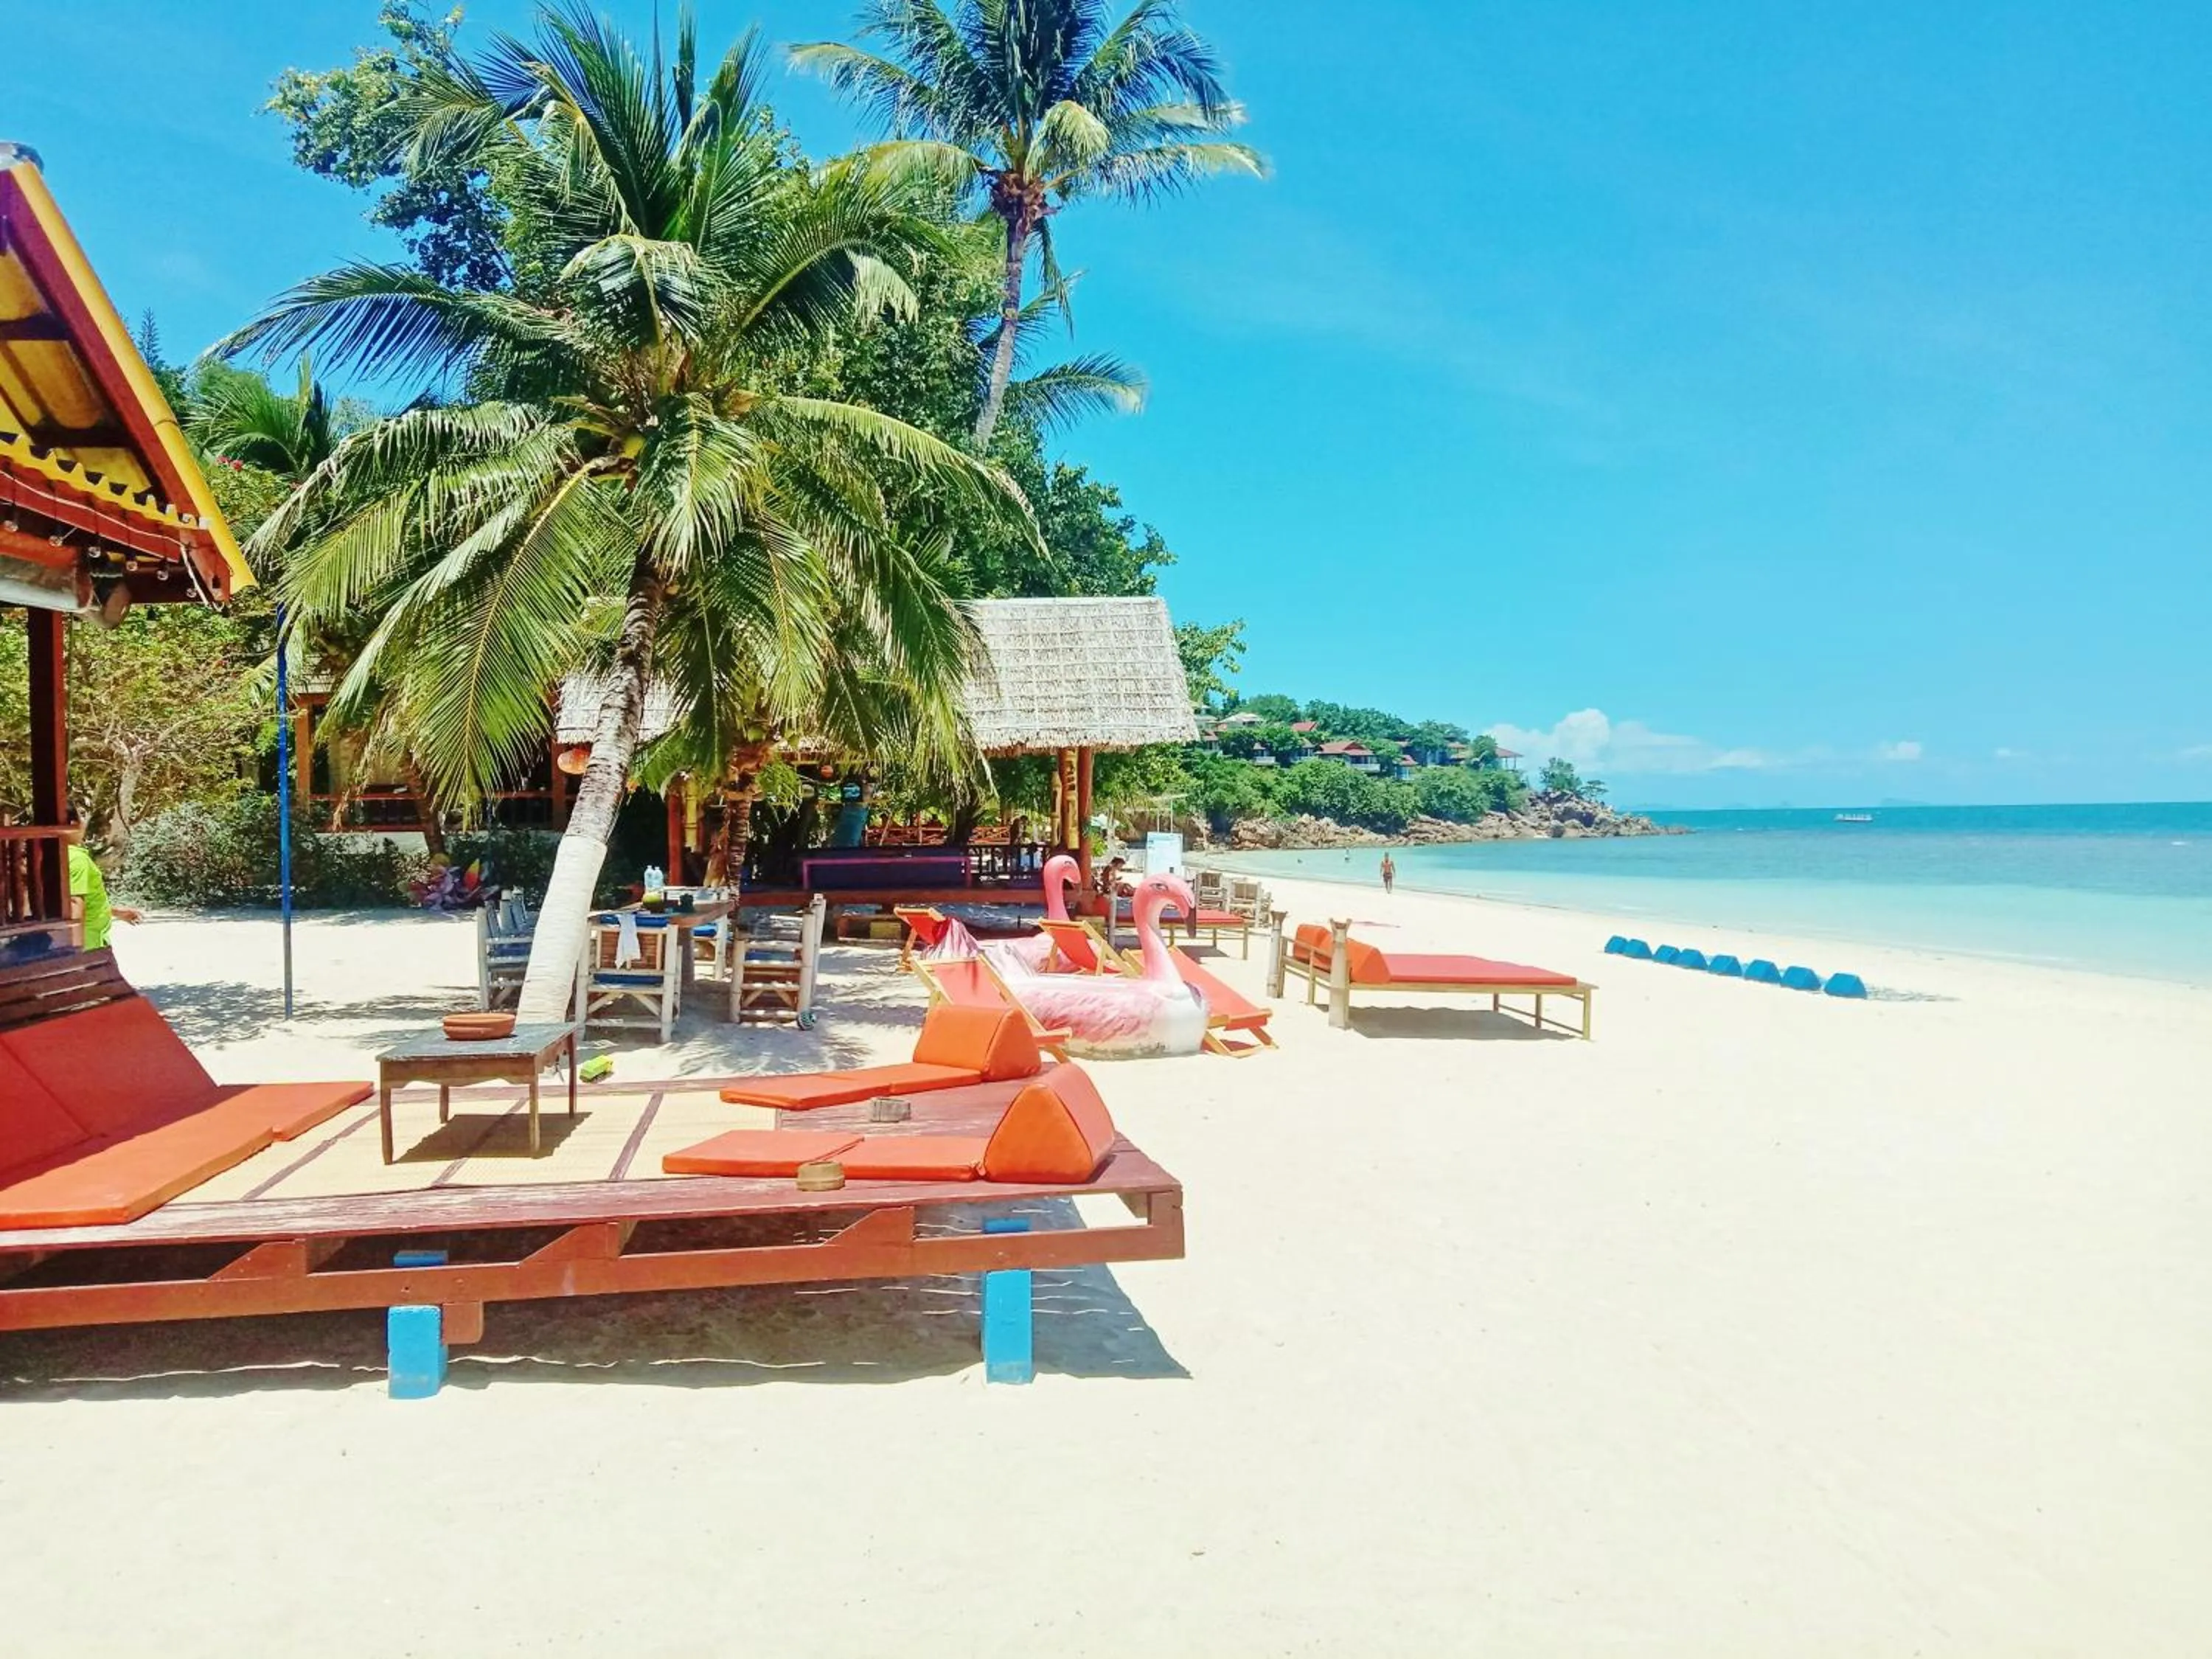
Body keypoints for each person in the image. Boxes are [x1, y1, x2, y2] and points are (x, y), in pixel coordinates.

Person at [66, 819, 141, 950]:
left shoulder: (58, 854)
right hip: (88, 941)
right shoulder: (77, 859)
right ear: (73, 824)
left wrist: (115, 912)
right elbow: (74, 903)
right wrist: (77, 952)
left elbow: (82, 900)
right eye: (80, 816)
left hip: (89, 938)